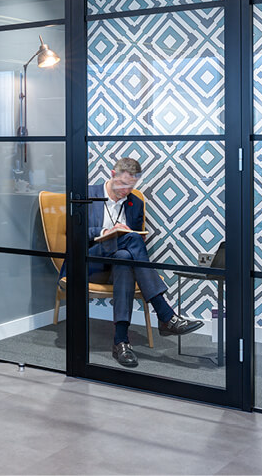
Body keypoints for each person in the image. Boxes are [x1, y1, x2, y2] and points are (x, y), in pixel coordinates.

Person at [60, 157, 203, 368]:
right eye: (122, 184)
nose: (126, 190)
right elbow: (73, 233)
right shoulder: (88, 194)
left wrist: (123, 236)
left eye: (131, 186)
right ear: (112, 174)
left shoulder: (134, 202)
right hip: (88, 263)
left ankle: (121, 342)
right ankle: (165, 314)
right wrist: (104, 232)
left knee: (126, 257)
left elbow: (136, 243)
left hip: (118, 265)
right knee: (131, 239)